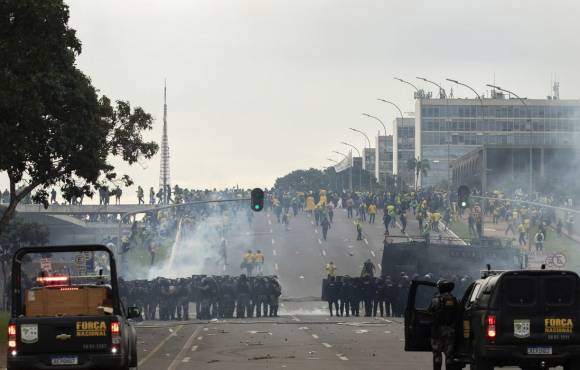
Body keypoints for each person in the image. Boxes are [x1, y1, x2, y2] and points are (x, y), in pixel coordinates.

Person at [428, 279, 459, 370]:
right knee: (449, 355)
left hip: (437, 330)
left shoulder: (435, 299)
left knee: (437, 354)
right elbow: (457, 314)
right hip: (450, 330)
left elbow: (429, 312)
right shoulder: (454, 299)